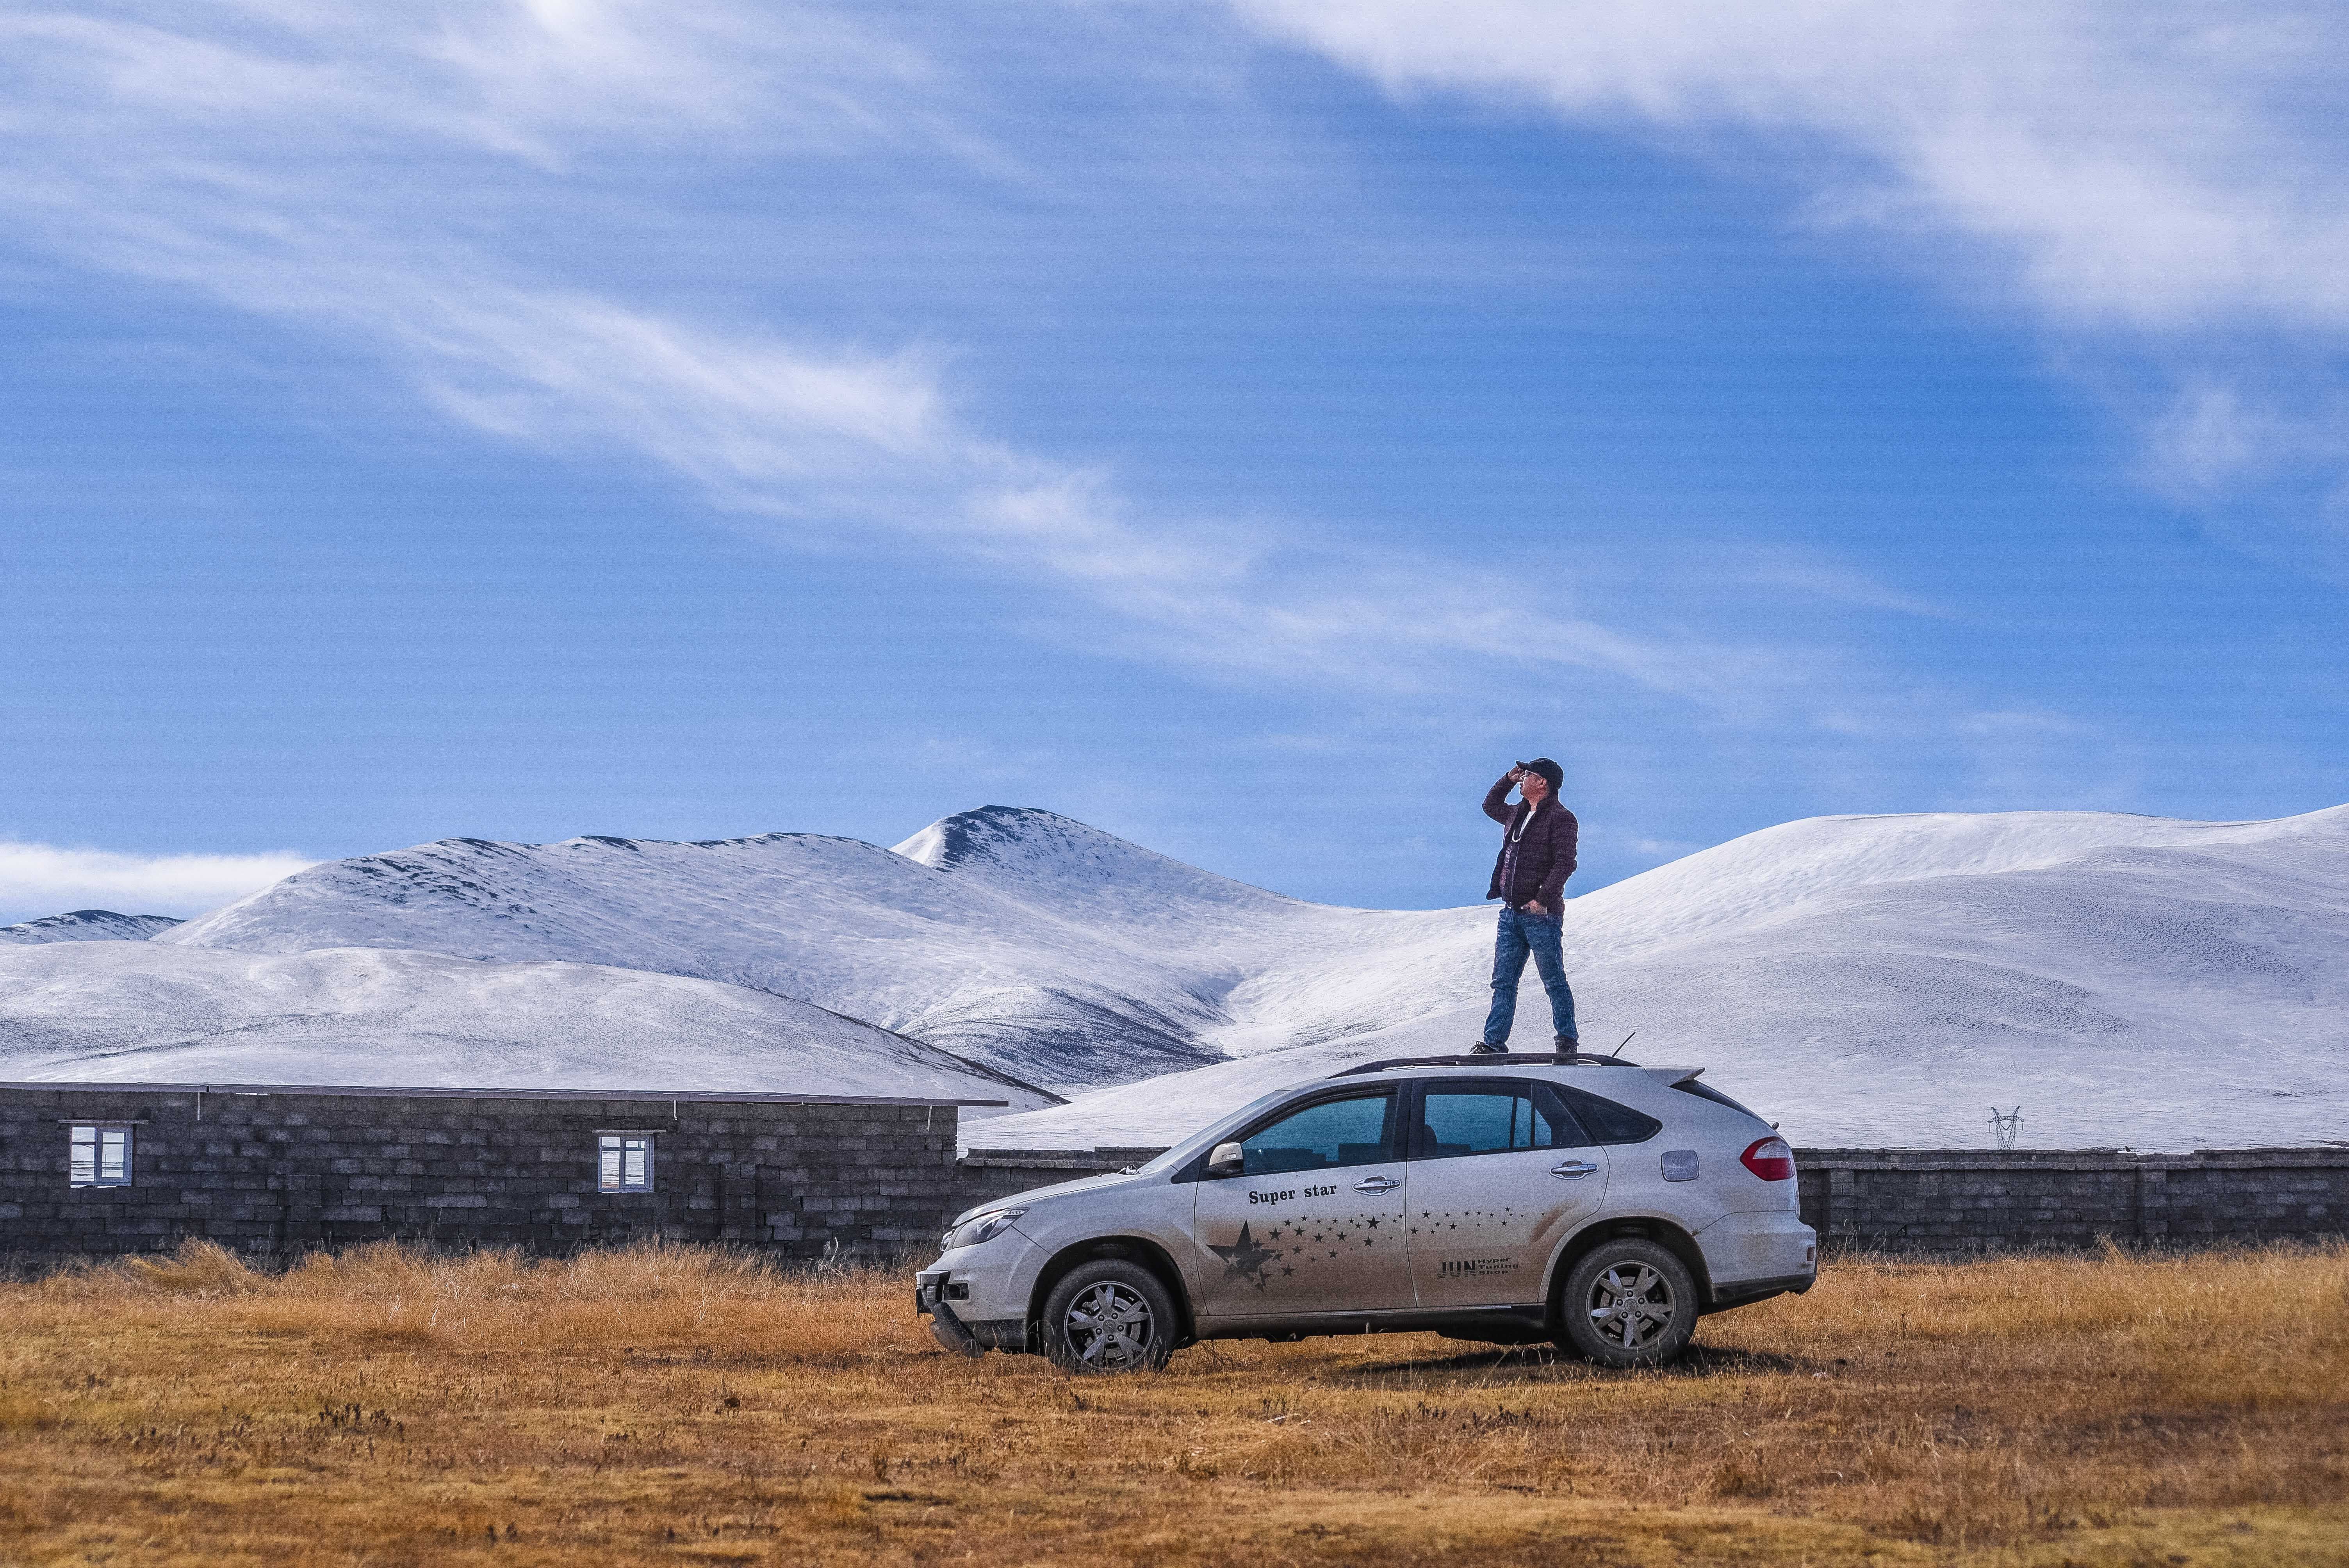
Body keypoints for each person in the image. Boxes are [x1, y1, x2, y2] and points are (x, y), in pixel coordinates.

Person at [1473, 758, 1579, 1053]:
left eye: (1527, 774)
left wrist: (1542, 900)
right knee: (1503, 983)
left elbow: (1565, 863)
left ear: (1542, 782)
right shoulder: (1515, 814)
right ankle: (1493, 1045)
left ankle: (1567, 1041)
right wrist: (1507, 779)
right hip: (1510, 915)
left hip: (1541, 916)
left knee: (1553, 980)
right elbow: (1489, 805)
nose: (1522, 778)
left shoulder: (1561, 818)